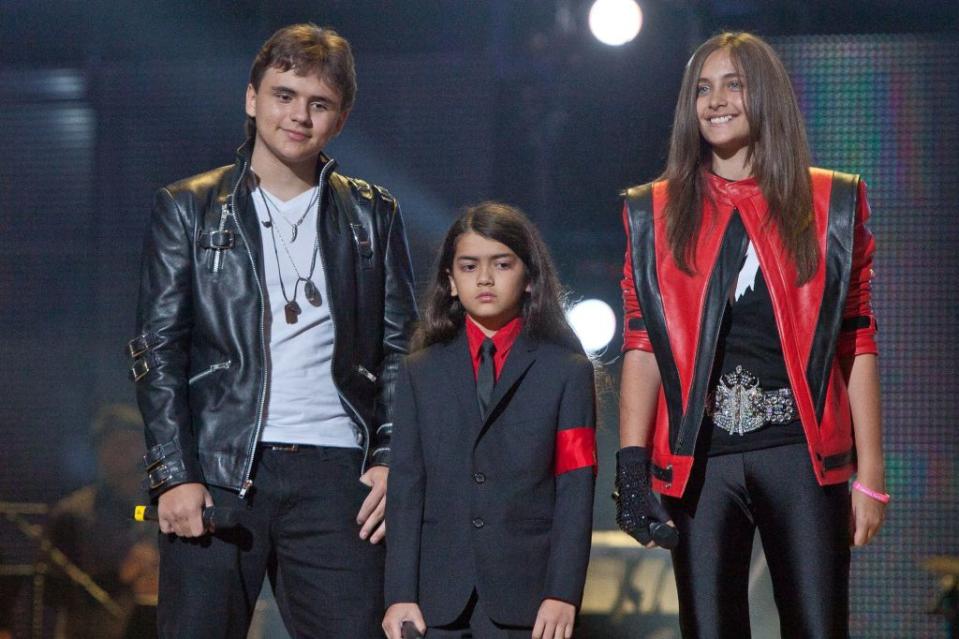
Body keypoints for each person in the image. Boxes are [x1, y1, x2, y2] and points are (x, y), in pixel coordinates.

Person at [128, 23, 417, 638]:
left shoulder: (373, 213)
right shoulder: (189, 206)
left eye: (319, 104)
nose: (299, 116)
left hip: (341, 474)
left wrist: (391, 459)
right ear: (252, 97)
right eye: (284, 95)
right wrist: (173, 473)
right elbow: (157, 348)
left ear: (340, 119)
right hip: (221, 466)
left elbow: (401, 350)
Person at [614, 32, 887, 638]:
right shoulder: (652, 212)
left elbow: (857, 342)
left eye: (733, 85)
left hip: (802, 455)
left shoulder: (832, 202)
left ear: (764, 95)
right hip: (702, 461)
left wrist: (871, 476)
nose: (715, 101)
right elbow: (641, 342)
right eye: (702, 89)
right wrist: (632, 467)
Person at [382, 202, 597, 639]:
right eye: (469, 266)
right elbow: (405, 484)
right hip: (435, 599)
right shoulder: (420, 370)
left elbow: (576, 485)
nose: (484, 278)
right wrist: (400, 592)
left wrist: (563, 592)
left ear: (530, 277)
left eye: (501, 264)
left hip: (529, 600)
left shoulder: (566, 370)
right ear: (450, 280)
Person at [44, 404, 158, 639]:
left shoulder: (164, 508)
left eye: (132, 443)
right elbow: (51, 591)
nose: (124, 452)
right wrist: (118, 576)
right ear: (98, 451)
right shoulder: (73, 513)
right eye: (114, 444)